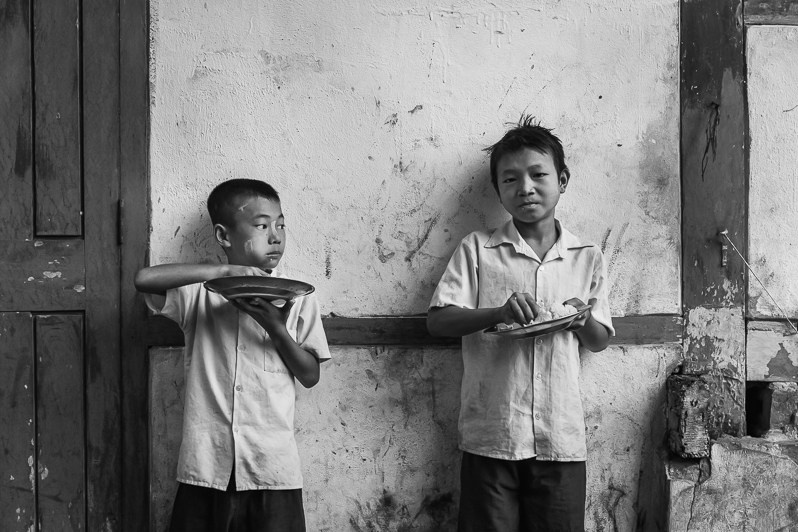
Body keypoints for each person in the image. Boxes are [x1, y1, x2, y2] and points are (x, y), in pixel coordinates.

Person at [427, 116, 614, 532]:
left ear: (562, 180)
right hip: (493, 434)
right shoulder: (478, 249)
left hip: (561, 439)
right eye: (510, 179)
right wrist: (498, 313)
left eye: (538, 174)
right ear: (498, 191)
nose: (525, 187)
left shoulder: (587, 255)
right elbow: (438, 321)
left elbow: (599, 340)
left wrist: (579, 318)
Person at [135, 178, 330, 532]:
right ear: (224, 237)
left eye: (281, 225)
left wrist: (275, 327)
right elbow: (145, 279)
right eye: (261, 225)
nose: (275, 236)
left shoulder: (300, 297)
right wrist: (224, 272)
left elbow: (310, 375)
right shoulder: (197, 296)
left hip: (272, 470)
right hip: (206, 466)